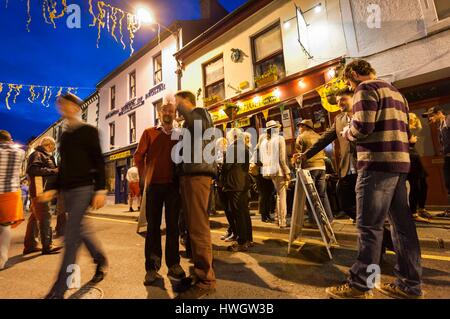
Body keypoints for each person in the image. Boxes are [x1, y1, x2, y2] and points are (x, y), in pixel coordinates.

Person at [326, 59, 423, 299]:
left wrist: (347, 132)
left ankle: (361, 284)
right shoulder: (397, 93)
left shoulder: (365, 89)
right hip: (399, 165)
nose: (350, 85)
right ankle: (409, 285)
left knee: (369, 227)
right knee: (403, 228)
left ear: (355, 75)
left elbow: (363, 128)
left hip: (376, 165)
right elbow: (407, 133)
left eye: (349, 81)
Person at [45, 93, 108, 299]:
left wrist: (100, 188)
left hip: (84, 188)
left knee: (71, 237)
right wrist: (53, 187)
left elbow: (98, 161)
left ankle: (59, 289)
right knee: (80, 229)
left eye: (66, 105)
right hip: (68, 191)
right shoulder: (65, 135)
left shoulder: (88, 131)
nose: (63, 109)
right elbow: (63, 166)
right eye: (60, 106)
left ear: (76, 107)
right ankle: (100, 259)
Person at [134, 102, 186, 286]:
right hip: (154, 186)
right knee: (153, 228)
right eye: (164, 110)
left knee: (173, 227)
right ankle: (151, 268)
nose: (168, 113)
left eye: (171, 111)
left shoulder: (180, 134)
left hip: (173, 186)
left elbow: (185, 158)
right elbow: (138, 157)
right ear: (159, 113)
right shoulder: (149, 132)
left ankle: (174, 265)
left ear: (174, 114)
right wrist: (143, 178)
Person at [175, 90, 217, 299]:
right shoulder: (190, 121)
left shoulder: (200, 113)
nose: (175, 107)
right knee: (193, 226)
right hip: (191, 175)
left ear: (187, 101)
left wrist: (181, 108)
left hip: (197, 175)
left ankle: (205, 279)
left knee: (199, 227)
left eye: (178, 102)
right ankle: (200, 273)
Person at [24, 137, 62, 255]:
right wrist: (54, 171)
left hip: (43, 190)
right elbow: (33, 170)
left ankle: (31, 245)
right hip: (40, 190)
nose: (53, 149)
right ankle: (47, 245)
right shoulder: (37, 154)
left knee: (35, 217)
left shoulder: (44, 155)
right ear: (49, 145)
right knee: (45, 216)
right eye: (53, 147)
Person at [295, 119, 334, 225]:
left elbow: (298, 156)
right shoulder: (318, 136)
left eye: (300, 126)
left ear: (304, 127)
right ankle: (329, 218)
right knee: (322, 194)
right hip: (321, 167)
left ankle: (314, 220)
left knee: (310, 195)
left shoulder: (301, 137)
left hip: (309, 168)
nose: (299, 129)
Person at [222, 128, 252, 252]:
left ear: (232, 137)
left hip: (234, 184)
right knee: (244, 212)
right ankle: (249, 239)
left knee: (238, 213)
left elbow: (227, 166)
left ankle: (242, 242)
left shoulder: (232, 148)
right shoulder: (245, 147)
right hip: (243, 183)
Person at [0, 130, 25, 269]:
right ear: (10, 139)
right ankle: (1, 260)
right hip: (11, 192)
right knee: (5, 227)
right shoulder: (20, 153)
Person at [260, 120, 290, 229]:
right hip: (279, 170)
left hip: (269, 170)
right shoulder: (279, 139)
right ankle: (282, 221)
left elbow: (263, 159)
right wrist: (287, 171)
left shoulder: (264, 142)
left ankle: (278, 218)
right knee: (282, 196)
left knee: (278, 195)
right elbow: (282, 159)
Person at [422, 106, 450, 217]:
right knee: (448, 183)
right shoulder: (440, 125)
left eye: (431, 115)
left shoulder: (448, 120)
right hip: (447, 157)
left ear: (439, 113)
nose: (429, 118)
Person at [251, 134, 275, 223]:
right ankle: (264, 216)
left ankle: (268, 215)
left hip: (267, 174)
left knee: (269, 195)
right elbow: (256, 161)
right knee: (264, 195)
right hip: (260, 175)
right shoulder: (257, 149)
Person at [216, 137, 236, 242]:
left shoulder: (227, 154)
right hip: (220, 184)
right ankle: (230, 229)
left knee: (229, 209)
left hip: (226, 185)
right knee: (226, 209)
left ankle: (233, 230)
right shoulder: (218, 154)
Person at [407, 135, 430, 223]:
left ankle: (421, 209)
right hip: (410, 157)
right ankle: (413, 213)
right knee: (415, 186)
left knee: (423, 185)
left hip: (415, 156)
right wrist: (411, 140)